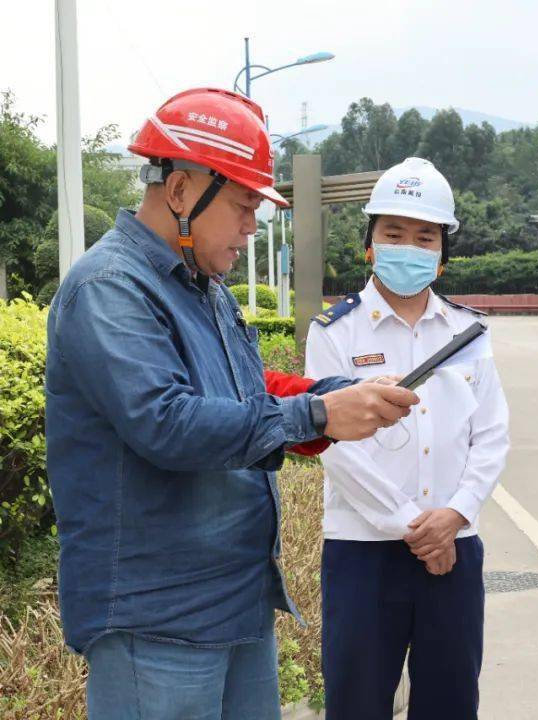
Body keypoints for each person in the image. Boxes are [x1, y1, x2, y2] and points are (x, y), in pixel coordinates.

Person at [45, 87, 419, 720]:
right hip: (156, 617)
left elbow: (246, 392)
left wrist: (332, 397)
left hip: (235, 600)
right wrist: (319, 416)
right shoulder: (110, 289)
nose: (253, 225)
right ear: (183, 191)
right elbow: (166, 422)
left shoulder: (204, 286)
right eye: (245, 204)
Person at [306, 157, 510, 720]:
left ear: (443, 253)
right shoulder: (334, 333)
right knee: (357, 703)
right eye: (394, 232)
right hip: (363, 553)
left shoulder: (468, 334)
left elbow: (491, 435)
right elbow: (335, 445)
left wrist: (455, 517)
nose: (409, 246)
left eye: (425, 236)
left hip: (456, 548)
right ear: (369, 242)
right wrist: (415, 528)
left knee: (450, 703)